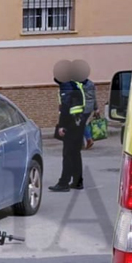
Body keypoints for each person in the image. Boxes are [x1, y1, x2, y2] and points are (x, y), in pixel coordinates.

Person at [51, 60, 88, 192]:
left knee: (67, 154)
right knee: (75, 153)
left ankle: (64, 183)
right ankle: (78, 181)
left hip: (71, 123)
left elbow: (66, 107)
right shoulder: (76, 84)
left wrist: (62, 126)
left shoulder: (66, 86)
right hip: (79, 122)